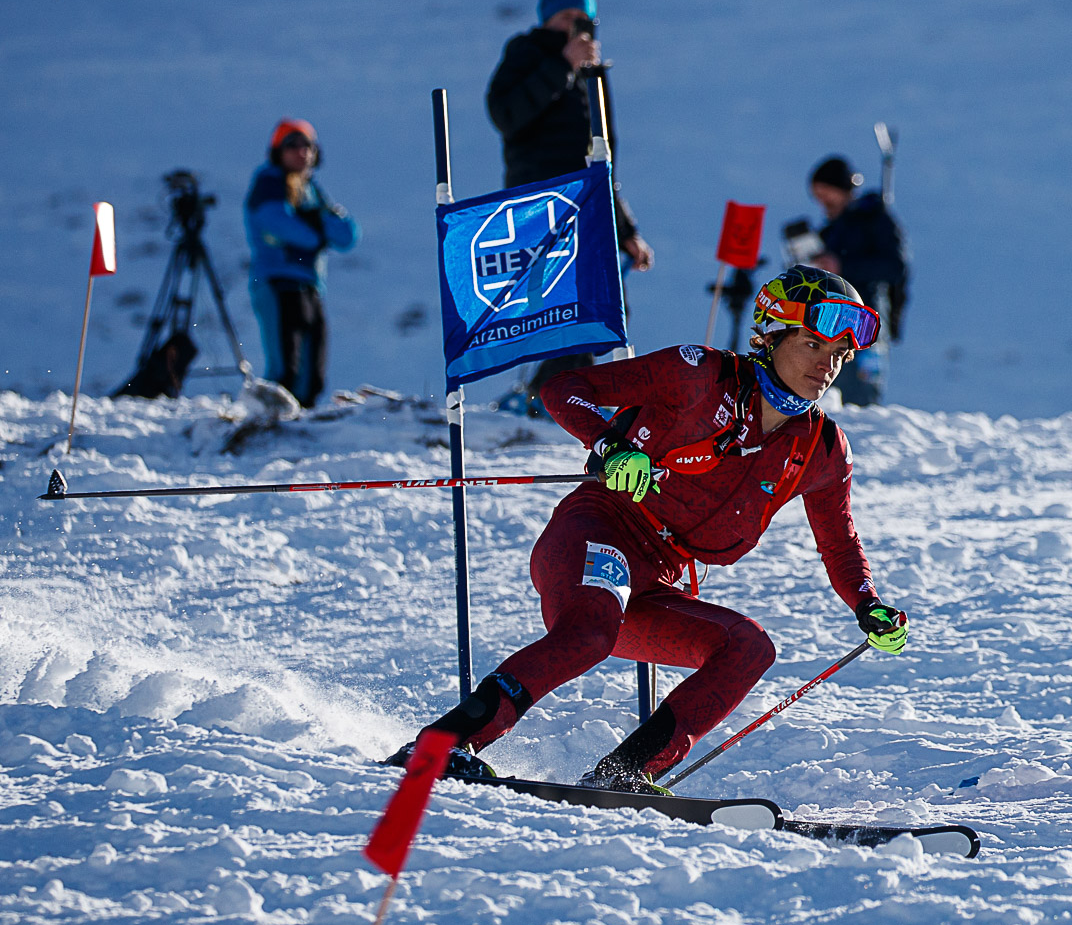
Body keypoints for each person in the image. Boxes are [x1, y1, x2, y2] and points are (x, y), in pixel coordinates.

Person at [387, 265, 912, 791]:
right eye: (813, 345)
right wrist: (610, 446)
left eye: (840, 356)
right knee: (591, 632)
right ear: (772, 333)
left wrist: (868, 604)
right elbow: (564, 388)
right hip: (599, 531)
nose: (828, 366)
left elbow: (840, 541)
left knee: (749, 647)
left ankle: (623, 774)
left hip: (656, 575)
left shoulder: (820, 449)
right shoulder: (699, 374)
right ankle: (441, 746)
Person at [486, 0, 655, 409]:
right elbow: (504, 114)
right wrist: (562, 65)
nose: (575, 24)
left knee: (602, 304)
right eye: (566, 15)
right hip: (539, 203)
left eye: (583, 16)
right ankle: (555, 397)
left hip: (588, 203)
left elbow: (604, 160)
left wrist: (627, 228)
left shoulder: (593, 72)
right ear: (547, 17)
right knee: (560, 304)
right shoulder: (525, 53)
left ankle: (565, 396)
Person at [243, 118, 359, 408]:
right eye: (291, 145)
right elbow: (278, 224)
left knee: (313, 372)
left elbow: (346, 235)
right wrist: (317, 229)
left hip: (310, 286)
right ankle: (270, 421)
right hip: (277, 281)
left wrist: (312, 223)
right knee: (286, 367)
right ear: (277, 151)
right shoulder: (269, 183)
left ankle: (301, 424)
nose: (301, 152)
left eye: (307, 146)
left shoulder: (313, 190)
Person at [806, 156, 909, 406]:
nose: (823, 203)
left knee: (859, 395)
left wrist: (842, 267)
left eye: (826, 194)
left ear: (841, 189)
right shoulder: (830, 229)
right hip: (830, 320)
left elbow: (895, 267)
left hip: (865, 319)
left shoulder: (874, 218)